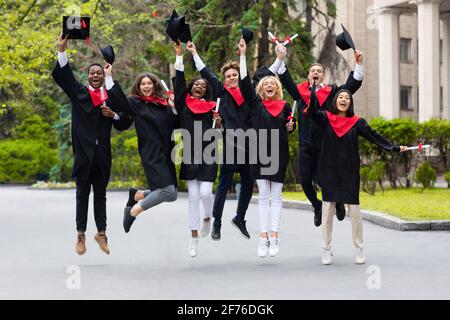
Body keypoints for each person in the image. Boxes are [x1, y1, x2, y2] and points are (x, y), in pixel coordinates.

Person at [308, 83, 407, 265]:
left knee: (354, 210)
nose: (343, 100)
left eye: (347, 98)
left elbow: (374, 136)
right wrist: (313, 91)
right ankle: (326, 248)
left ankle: (359, 246)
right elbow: (313, 112)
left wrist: (393, 148)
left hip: (349, 170)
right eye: (340, 97)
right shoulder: (325, 118)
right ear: (335, 101)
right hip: (328, 169)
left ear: (350, 103)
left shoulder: (357, 122)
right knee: (328, 209)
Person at [52, 34, 133, 255]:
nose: (95, 75)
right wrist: (62, 50)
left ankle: (102, 233)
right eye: (92, 73)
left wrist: (113, 114)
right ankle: (80, 235)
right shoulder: (79, 94)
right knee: (82, 195)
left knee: (100, 194)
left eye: (99, 73)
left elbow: (127, 117)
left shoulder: (109, 96)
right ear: (87, 77)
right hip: (84, 154)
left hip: (102, 154)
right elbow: (65, 77)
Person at [270, 44, 364, 227]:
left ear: (323, 76)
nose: (315, 73)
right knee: (305, 181)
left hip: (327, 145)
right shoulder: (300, 93)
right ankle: (317, 205)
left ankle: (337, 202)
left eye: (319, 71)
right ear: (308, 75)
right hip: (306, 144)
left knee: (326, 179)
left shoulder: (332, 92)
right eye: (312, 70)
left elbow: (350, 87)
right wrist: (280, 57)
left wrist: (358, 65)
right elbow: (285, 79)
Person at [185, 41, 254, 241]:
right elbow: (206, 72)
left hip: (251, 144)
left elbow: (249, 77)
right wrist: (195, 53)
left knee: (248, 183)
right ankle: (217, 223)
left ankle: (240, 218)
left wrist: (243, 55)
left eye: (235, 75)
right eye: (228, 76)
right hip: (231, 143)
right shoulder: (221, 93)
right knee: (224, 184)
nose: (232, 78)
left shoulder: (249, 94)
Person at [238, 38, 296, 258]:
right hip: (260, 152)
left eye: (273, 84)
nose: (270, 86)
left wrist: (291, 126)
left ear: (277, 88)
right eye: (266, 84)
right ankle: (263, 237)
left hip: (279, 152)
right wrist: (243, 56)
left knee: (277, 196)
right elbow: (244, 82)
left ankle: (275, 236)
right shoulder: (255, 105)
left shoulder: (285, 106)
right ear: (261, 89)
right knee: (263, 195)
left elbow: (290, 123)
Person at [105, 68, 179, 234]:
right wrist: (109, 77)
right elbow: (118, 100)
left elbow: (176, 124)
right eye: (143, 84)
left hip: (167, 151)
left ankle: (137, 195)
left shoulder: (162, 104)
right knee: (166, 190)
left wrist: (173, 107)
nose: (146, 86)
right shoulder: (135, 103)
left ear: (155, 85)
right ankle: (133, 211)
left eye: (149, 83)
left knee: (172, 194)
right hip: (151, 151)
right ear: (138, 87)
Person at [173, 41, 221, 257]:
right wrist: (180, 56)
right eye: (196, 85)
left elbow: (221, 130)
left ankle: (208, 217)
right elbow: (179, 81)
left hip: (209, 152)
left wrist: (219, 123)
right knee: (192, 198)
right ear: (191, 87)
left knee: (205, 192)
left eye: (203, 85)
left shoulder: (213, 108)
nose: (199, 87)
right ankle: (193, 238)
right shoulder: (184, 104)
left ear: (207, 90)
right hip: (190, 153)